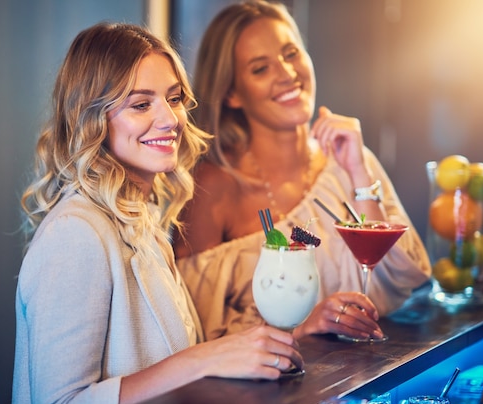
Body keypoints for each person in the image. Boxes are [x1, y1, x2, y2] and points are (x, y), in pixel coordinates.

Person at [11, 22, 303, 404]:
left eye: (175, 98)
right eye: (141, 104)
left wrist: (291, 332)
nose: (170, 120)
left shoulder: (142, 222)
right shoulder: (75, 232)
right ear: (91, 117)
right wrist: (201, 359)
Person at [173, 1, 431, 342]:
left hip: (372, 370)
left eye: (291, 53)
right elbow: (192, 329)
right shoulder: (213, 185)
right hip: (269, 389)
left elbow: (404, 278)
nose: (286, 73)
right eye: (261, 68)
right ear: (232, 93)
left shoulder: (350, 158)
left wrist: (356, 170)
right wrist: (299, 327)